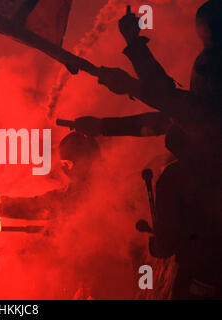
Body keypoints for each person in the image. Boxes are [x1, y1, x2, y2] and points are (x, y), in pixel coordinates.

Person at [66, 1, 222, 299]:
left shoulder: (186, 173)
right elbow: (169, 113)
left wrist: (135, 48)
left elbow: (168, 100)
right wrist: (104, 124)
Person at [0, 132, 100, 222]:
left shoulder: (86, 192)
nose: (65, 170)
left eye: (68, 163)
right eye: (63, 164)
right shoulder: (91, 185)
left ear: (85, 161)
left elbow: (36, 207)